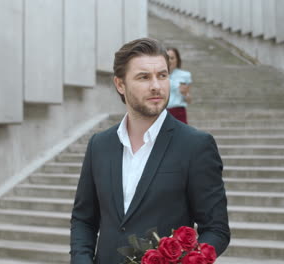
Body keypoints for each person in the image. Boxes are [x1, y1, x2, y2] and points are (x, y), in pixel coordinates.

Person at [70, 38, 230, 264]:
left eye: (162, 75)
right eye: (144, 77)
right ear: (120, 84)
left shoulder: (196, 145)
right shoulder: (99, 145)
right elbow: (83, 220)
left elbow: (216, 229)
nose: (156, 85)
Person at [166, 47, 192, 124]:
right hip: (162, 113)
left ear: (177, 59)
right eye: (167, 58)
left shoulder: (185, 75)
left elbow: (189, 99)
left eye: (172, 58)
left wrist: (185, 93)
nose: (169, 61)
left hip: (179, 112)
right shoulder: (158, 76)